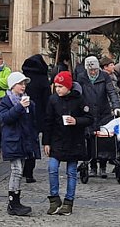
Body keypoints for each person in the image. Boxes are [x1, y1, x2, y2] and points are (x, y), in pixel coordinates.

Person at [43, 71, 92, 216]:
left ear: (68, 86)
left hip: (74, 141)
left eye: (60, 86)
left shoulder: (79, 99)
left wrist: (77, 121)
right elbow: (48, 122)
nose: (57, 89)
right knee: (52, 168)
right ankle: (54, 199)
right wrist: (46, 142)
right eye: (56, 86)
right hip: (57, 140)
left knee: (71, 172)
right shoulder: (53, 100)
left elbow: (90, 118)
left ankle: (68, 202)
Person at [0, 71, 39, 217]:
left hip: (23, 141)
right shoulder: (5, 102)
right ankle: (13, 202)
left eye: (24, 84)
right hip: (12, 141)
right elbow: (5, 118)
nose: (23, 86)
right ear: (12, 85)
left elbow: (32, 122)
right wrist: (20, 107)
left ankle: (16, 200)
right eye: (20, 84)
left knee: (20, 171)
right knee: (16, 170)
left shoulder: (28, 101)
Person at [76, 55, 120, 178]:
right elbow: (78, 94)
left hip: (103, 112)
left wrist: (116, 107)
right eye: (90, 70)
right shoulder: (81, 77)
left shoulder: (104, 76)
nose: (93, 72)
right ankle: (92, 166)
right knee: (90, 139)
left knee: (104, 139)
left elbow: (112, 92)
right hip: (88, 113)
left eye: (95, 69)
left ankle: (103, 166)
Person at [22, 53, 51, 182]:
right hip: (37, 115)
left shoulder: (24, 77)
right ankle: (29, 172)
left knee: (22, 141)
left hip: (22, 112)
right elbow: (47, 100)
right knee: (33, 143)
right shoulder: (43, 79)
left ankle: (20, 168)